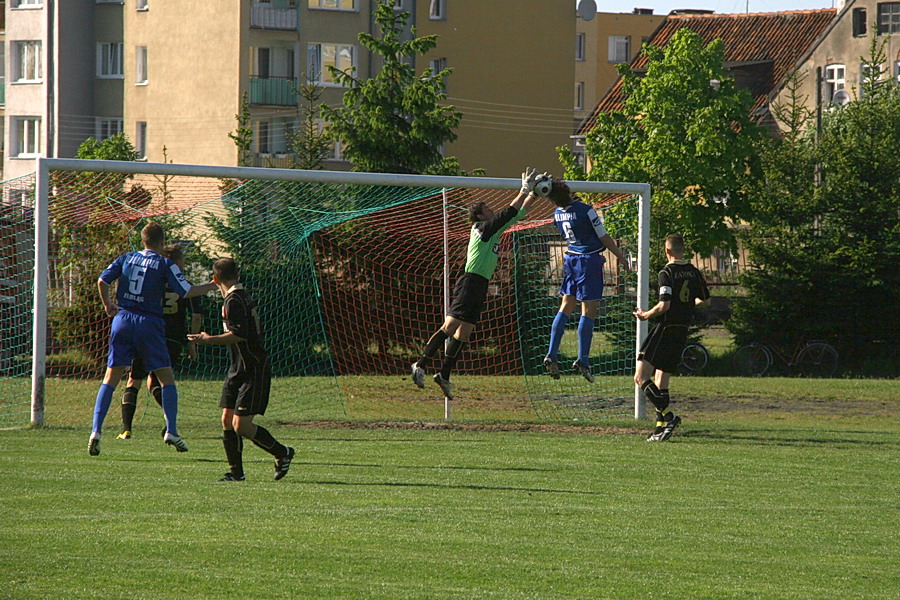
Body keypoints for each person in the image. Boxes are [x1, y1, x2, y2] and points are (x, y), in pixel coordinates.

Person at [410, 168, 544, 400]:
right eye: (487, 210)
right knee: (450, 326)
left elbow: (518, 213)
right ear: (481, 216)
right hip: (470, 281)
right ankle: (420, 364)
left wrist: (535, 193)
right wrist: (523, 189)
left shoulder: (493, 231)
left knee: (465, 332)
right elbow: (508, 211)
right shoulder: (481, 229)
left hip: (480, 284)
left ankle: (444, 375)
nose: (492, 211)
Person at [89, 222, 216, 456]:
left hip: (123, 319)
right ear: (161, 242)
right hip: (149, 322)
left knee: (112, 377)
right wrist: (213, 285)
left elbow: (102, 281)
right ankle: (172, 431)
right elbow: (186, 291)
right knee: (166, 379)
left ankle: (96, 430)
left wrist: (108, 304)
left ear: (142, 240)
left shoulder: (126, 257)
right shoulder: (164, 262)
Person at [188, 258, 295, 482]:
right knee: (227, 419)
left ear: (215, 279)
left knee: (241, 425)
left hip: (252, 367)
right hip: (237, 367)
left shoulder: (234, 300)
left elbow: (238, 334)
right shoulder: (238, 295)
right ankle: (236, 473)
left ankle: (282, 452)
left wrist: (207, 339)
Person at [543, 179, 629, 383]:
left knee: (565, 306)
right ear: (570, 192)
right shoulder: (586, 210)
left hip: (570, 258)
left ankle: (551, 353)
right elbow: (604, 238)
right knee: (588, 310)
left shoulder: (557, 214)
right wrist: (620, 256)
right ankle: (582, 359)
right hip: (588, 261)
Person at [116, 243, 203, 440]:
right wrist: (192, 341)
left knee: (134, 380)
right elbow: (196, 316)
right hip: (172, 339)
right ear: (179, 262)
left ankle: (126, 429)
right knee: (161, 382)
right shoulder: (184, 285)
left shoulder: (151, 281)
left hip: (146, 334)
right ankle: (170, 424)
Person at [633, 233, 710, 442]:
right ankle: (660, 428)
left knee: (640, 377)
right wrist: (685, 306)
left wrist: (645, 315)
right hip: (682, 328)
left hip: (665, 328)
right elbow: (704, 300)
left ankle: (670, 417)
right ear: (682, 250)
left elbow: (664, 305)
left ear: (667, 251)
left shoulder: (666, 272)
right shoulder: (694, 272)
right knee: (661, 379)